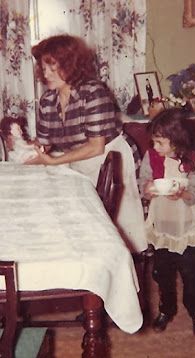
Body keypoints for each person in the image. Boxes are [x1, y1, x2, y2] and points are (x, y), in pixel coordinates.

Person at [27, 34, 147, 254]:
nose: (46, 74)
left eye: (53, 68)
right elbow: (44, 144)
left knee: (119, 227)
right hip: (77, 161)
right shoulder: (47, 101)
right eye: (44, 68)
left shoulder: (93, 92)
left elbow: (96, 146)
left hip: (110, 160)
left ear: (70, 65)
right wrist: (26, 159)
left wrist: (54, 161)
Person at [139, 108, 195, 337]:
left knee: (192, 275)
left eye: (160, 142)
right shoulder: (151, 157)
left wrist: (183, 194)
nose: (155, 147)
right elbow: (143, 184)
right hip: (162, 228)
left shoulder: (193, 159)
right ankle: (166, 309)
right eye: (154, 142)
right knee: (162, 274)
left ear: (176, 139)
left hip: (187, 228)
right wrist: (147, 189)